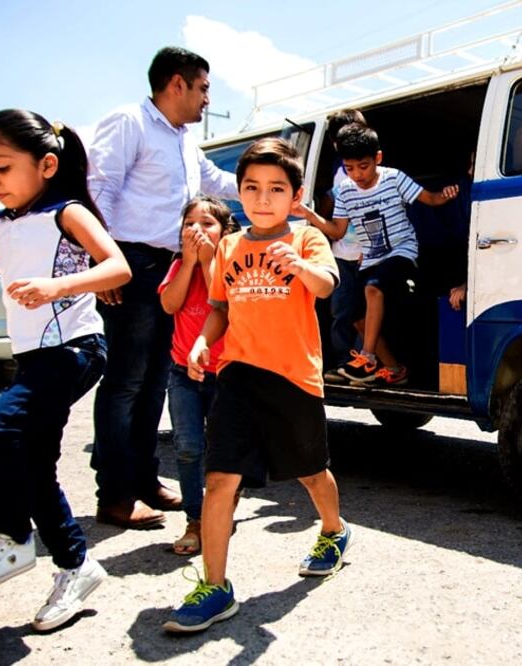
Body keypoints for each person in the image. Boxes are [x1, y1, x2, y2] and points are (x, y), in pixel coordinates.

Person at [0, 109, 131, 631]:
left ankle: (11, 537)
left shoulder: (68, 213)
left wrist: (56, 286)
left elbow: (117, 267)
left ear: (47, 164)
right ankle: (77, 568)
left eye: (3, 167)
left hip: (75, 348)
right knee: (34, 466)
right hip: (36, 357)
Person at [163, 138, 348, 633]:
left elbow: (327, 284)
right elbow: (220, 308)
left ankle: (333, 530)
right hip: (238, 375)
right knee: (220, 479)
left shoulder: (307, 237)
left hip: (294, 377)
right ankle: (216, 587)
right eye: (251, 188)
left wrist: (301, 267)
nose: (262, 198)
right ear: (239, 193)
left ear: (295, 194)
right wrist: (204, 342)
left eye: (275, 189)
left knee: (311, 473)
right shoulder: (227, 245)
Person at [87, 46, 239, 530]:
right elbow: (100, 187)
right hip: (130, 262)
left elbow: (216, 182)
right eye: (204, 89)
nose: (207, 101)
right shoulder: (129, 121)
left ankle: (143, 479)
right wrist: (102, 260)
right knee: (127, 381)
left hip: (175, 266)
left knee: (156, 381)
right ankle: (113, 494)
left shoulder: (184, 142)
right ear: (178, 84)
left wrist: (275, 188)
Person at [295, 124, 459, 386]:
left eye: (363, 166)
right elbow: (338, 231)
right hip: (371, 258)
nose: (358, 174)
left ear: (377, 159)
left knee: (373, 289)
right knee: (358, 320)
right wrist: (310, 215)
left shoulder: (394, 178)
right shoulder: (346, 190)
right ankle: (394, 369)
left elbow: (430, 198)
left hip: (402, 252)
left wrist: (447, 194)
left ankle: (367, 357)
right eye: (350, 168)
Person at [157, 195, 240, 555]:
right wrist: (190, 262)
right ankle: (195, 519)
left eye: (207, 224)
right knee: (188, 446)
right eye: (190, 223)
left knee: (225, 449)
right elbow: (170, 304)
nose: (197, 230)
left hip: (225, 373)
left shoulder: (230, 264)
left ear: (224, 231)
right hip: (182, 371)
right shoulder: (178, 266)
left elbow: (221, 304)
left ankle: (221, 510)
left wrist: (208, 261)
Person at [314, 109, 367, 384]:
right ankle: (345, 363)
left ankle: (360, 363)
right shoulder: (339, 173)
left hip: (363, 253)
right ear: (336, 144)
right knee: (342, 312)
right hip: (342, 254)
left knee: (361, 313)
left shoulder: (367, 170)